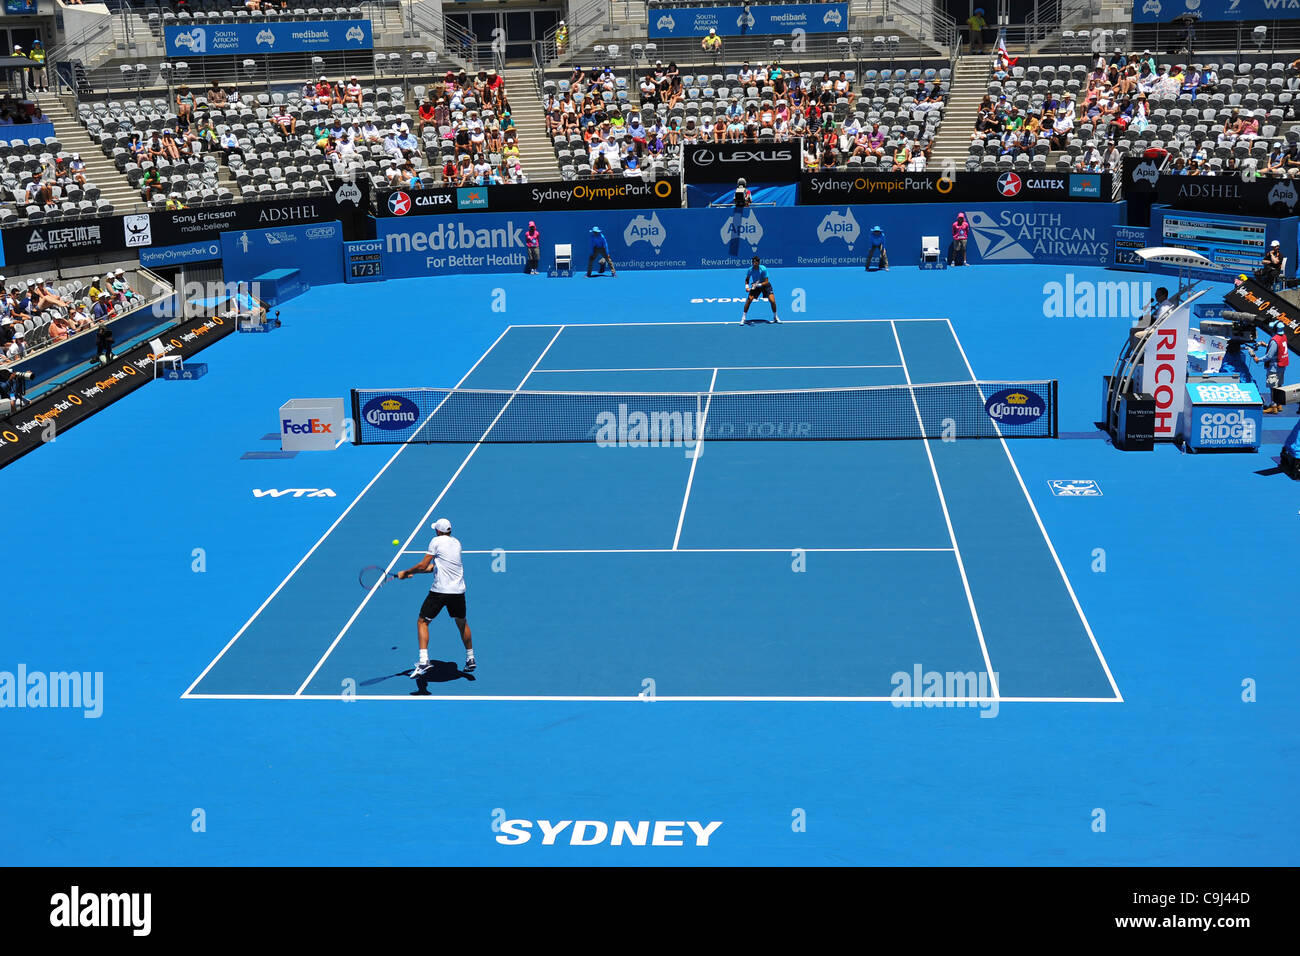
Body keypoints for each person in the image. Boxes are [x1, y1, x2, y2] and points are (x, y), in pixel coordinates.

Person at [397, 517, 475, 676]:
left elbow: (423, 565)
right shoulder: (457, 543)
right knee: (462, 623)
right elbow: (434, 568)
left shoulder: (436, 541)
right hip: (458, 591)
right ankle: (470, 658)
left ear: (438, 531)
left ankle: (424, 661)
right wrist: (412, 574)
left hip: (440, 591)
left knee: (422, 622)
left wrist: (406, 572)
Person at [1254, 321, 1291, 413]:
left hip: (1274, 367)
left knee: (1273, 387)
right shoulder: (1283, 337)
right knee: (1279, 385)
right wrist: (1266, 345)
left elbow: (1269, 356)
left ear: (1275, 329)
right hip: (1282, 365)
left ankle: (1273, 406)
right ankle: (1279, 404)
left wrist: (1258, 359)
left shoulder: (1274, 340)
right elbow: (1279, 348)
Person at [741, 255, 779, 325]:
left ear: (758, 263)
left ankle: (775, 317)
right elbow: (747, 279)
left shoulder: (763, 269)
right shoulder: (750, 270)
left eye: (755, 262)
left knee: (772, 301)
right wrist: (746, 287)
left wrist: (758, 285)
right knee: (749, 299)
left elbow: (766, 281)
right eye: (753, 262)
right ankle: (743, 318)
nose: (754, 263)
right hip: (756, 285)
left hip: (765, 285)